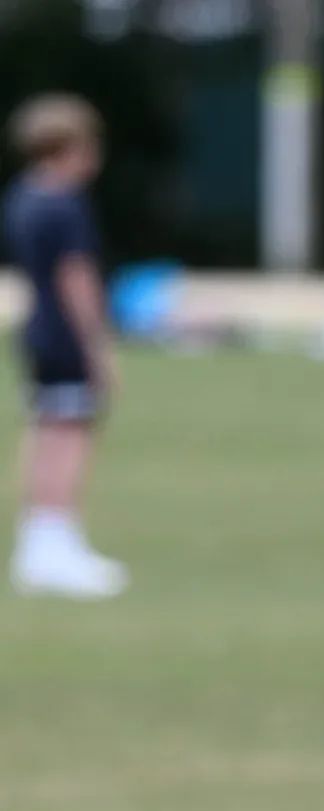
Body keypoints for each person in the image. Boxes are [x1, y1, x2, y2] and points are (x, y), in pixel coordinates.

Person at [5, 93, 125, 600]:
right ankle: (56, 545)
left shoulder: (22, 196)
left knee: (44, 433)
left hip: (35, 331)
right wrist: (99, 347)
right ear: (71, 147)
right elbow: (76, 278)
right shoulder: (65, 204)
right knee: (70, 438)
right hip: (65, 336)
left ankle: (38, 543)